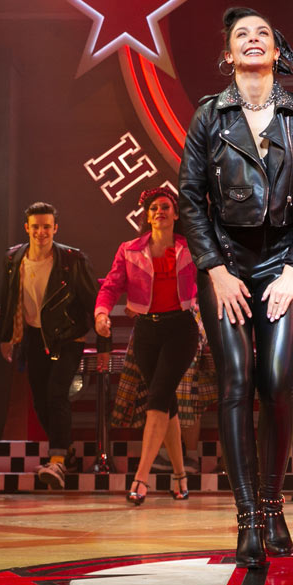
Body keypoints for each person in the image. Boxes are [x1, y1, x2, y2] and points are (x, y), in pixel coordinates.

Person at [178, 6, 293, 569]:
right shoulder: (209, 117)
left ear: (277, 50)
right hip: (226, 264)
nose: (252, 39)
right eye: (242, 34)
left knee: (277, 384)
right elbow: (190, 199)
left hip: (281, 266)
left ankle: (272, 503)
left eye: (263, 32)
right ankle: (246, 518)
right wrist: (215, 271)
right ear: (229, 54)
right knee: (237, 381)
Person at [95, 187, 197, 504]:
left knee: (157, 397)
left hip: (181, 329)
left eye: (165, 207)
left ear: (176, 214)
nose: (159, 212)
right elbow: (111, 286)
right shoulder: (129, 250)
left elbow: (210, 281)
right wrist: (101, 313)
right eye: (154, 208)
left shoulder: (190, 248)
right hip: (146, 332)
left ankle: (141, 478)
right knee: (166, 404)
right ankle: (180, 478)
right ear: (147, 215)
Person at [0, 202, 106, 491]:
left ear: (55, 228)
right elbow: (9, 300)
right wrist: (6, 336)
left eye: (47, 226)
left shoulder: (72, 259)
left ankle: (57, 460)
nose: (41, 232)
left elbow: (93, 301)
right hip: (33, 336)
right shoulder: (14, 258)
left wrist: (104, 346)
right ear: (27, 229)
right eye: (36, 227)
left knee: (57, 393)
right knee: (40, 400)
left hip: (68, 336)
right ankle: (66, 452)